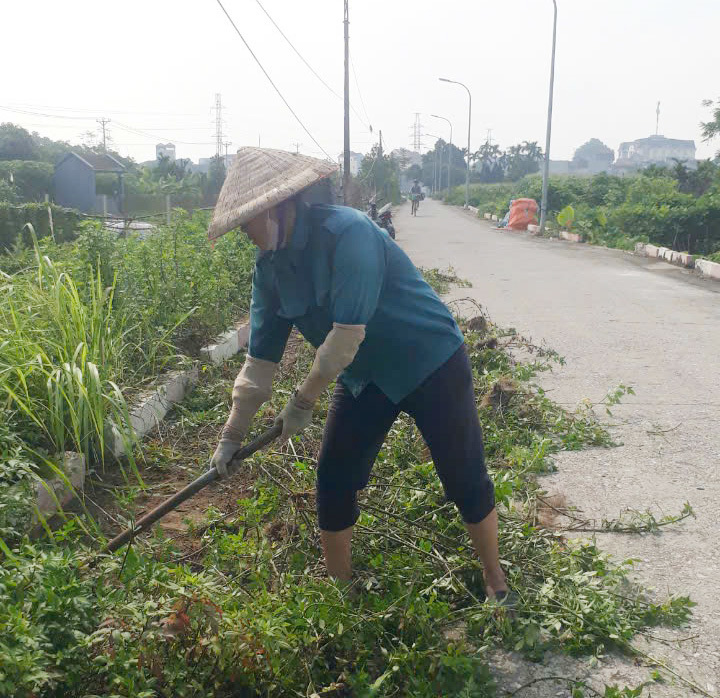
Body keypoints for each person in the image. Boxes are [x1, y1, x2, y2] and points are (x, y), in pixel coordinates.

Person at [208, 147, 511, 603]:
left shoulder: (349, 232)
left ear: (276, 208)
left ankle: (495, 579)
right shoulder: (269, 270)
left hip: (428, 358)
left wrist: (302, 403)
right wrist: (230, 436)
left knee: (463, 472)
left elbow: (345, 338)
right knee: (334, 476)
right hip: (365, 376)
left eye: (248, 222)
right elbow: (259, 365)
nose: (246, 235)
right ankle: (341, 593)